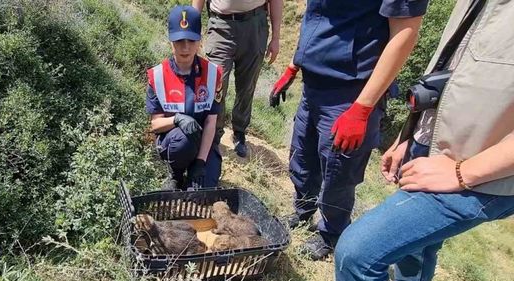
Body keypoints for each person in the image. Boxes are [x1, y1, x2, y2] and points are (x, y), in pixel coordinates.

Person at [275, 0, 514, 281]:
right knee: (416, 241)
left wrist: (463, 172)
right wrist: (411, 134)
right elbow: (453, 72)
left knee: (359, 250)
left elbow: (405, 33)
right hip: (435, 144)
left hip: (480, 169)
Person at [268, 0, 429, 261]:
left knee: (338, 171)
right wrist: (294, 64)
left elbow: (405, 33)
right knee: (303, 155)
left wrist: (362, 109)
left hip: (350, 91)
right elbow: (316, 16)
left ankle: (331, 233)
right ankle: (303, 209)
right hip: (314, 83)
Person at [146, 5, 224, 190]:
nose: (185, 47)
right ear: (170, 41)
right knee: (183, 140)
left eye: (191, 40)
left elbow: (211, 122)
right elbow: (155, 125)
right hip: (174, 141)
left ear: (200, 40)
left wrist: (200, 162)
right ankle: (175, 174)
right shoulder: (157, 76)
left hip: (203, 143)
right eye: (179, 41)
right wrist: (177, 119)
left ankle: (194, 172)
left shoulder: (213, 74)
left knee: (202, 194)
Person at [192, 0, 282, 158]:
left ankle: (239, 132)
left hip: (255, 25)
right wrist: (192, 29)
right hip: (221, 25)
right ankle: (213, 135)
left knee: (247, 86)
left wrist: (276, 38)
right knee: (215, 84)